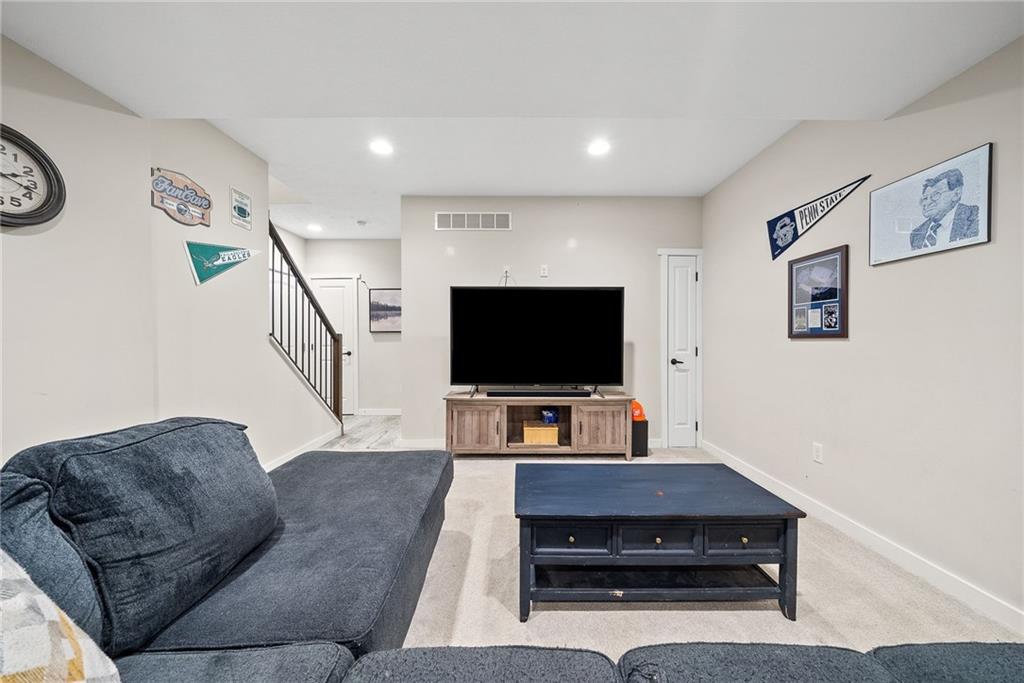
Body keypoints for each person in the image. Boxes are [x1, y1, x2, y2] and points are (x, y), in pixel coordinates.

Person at [909, 168, 979, 250]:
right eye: (925, 198)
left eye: (935, 195)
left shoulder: (976, 216)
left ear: (956, 194)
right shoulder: (916, 234)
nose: (927, 203)